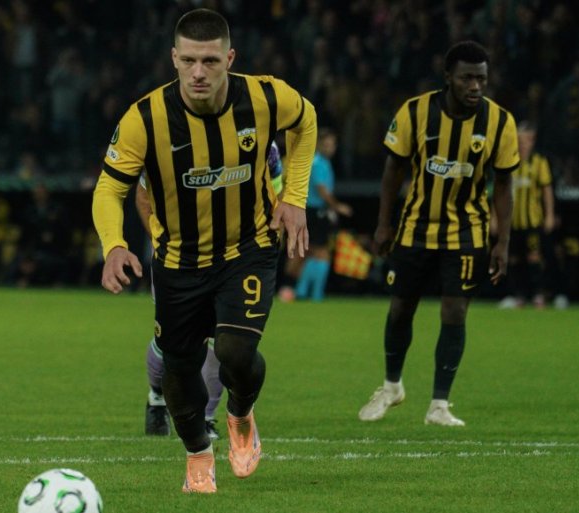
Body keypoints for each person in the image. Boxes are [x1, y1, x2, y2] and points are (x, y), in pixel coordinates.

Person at [92, 9, 316, 493]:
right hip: (179, 260)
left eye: (210, 61)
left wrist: (295, 197)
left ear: (229, 59)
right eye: (189, 60)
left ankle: (240, 414)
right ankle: (197, 452)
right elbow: (109, 188)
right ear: (173, 58)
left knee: (235, 351)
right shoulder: (144, 118)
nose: (199, 72)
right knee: (180, 367)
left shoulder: (265, 97)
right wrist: (114, 245)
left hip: (248, 248)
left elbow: (307, 120)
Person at [358, 41, 518, 427]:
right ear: (448, 77)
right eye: (466, 78)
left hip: (467, 230)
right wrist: (383, 223)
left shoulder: (500, 122)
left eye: (481, 78)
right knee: (401, 307)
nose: (475, 86)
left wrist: (503, 241)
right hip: (415, 228)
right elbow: (393, 171)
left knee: (455, 310)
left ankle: (439, 405)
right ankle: (392, 386)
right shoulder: (415, 112)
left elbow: (503, 184)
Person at [139, 141, 284, 441]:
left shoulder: (263, 141)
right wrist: (165, 244)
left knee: (223, 340)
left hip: (235, 261)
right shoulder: (167, 133)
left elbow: (276, 192)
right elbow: (143, 196)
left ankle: (206, 418)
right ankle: (157, 396)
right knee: (175, 345)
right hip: (180, 259)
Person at [497, 121, 564, 309]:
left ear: (533, 141)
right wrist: (496, 217)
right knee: (513, 259)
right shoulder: (508, 160)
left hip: (533, 221)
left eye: (527, 140)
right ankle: (518, 295)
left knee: (534, 257)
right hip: (512, 221)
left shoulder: (539, 162)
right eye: (520, 140)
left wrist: (549, 214)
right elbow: (500, 190)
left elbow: (547, 190)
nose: (523, 143)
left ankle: (539, 294)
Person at [293, 129, 352, 301]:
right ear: (318, 144)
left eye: (332, 145)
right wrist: (337, 206)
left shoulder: (323, 163)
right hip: (315, 211)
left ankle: (303, 290)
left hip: (316, 211)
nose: (329, 148)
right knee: (322, 253)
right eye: (326, 145)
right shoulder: (318, 163)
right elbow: (322, 190)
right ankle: (313, 293)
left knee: (313, 252)